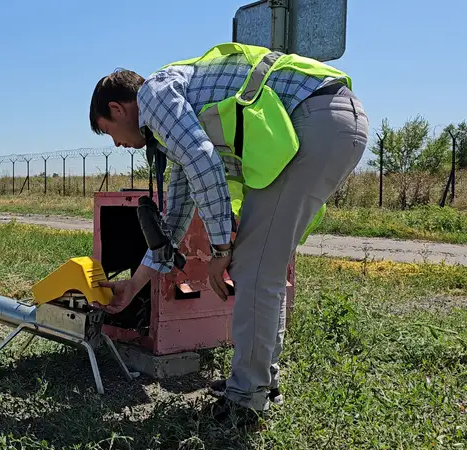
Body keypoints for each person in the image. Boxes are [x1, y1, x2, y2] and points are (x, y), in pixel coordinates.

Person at [89, 42, 369, 428]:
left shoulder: (153, 96)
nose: (118, 144)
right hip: (327, 119)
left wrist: (221, 248)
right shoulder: (176, 115)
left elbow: (203, 161)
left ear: (118, 109)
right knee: (263, 264)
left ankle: (244, 401)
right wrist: (133, 286)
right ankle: (258, 382)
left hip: (316, 117)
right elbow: (173, 223)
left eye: (109, 132)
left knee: (254, 267)